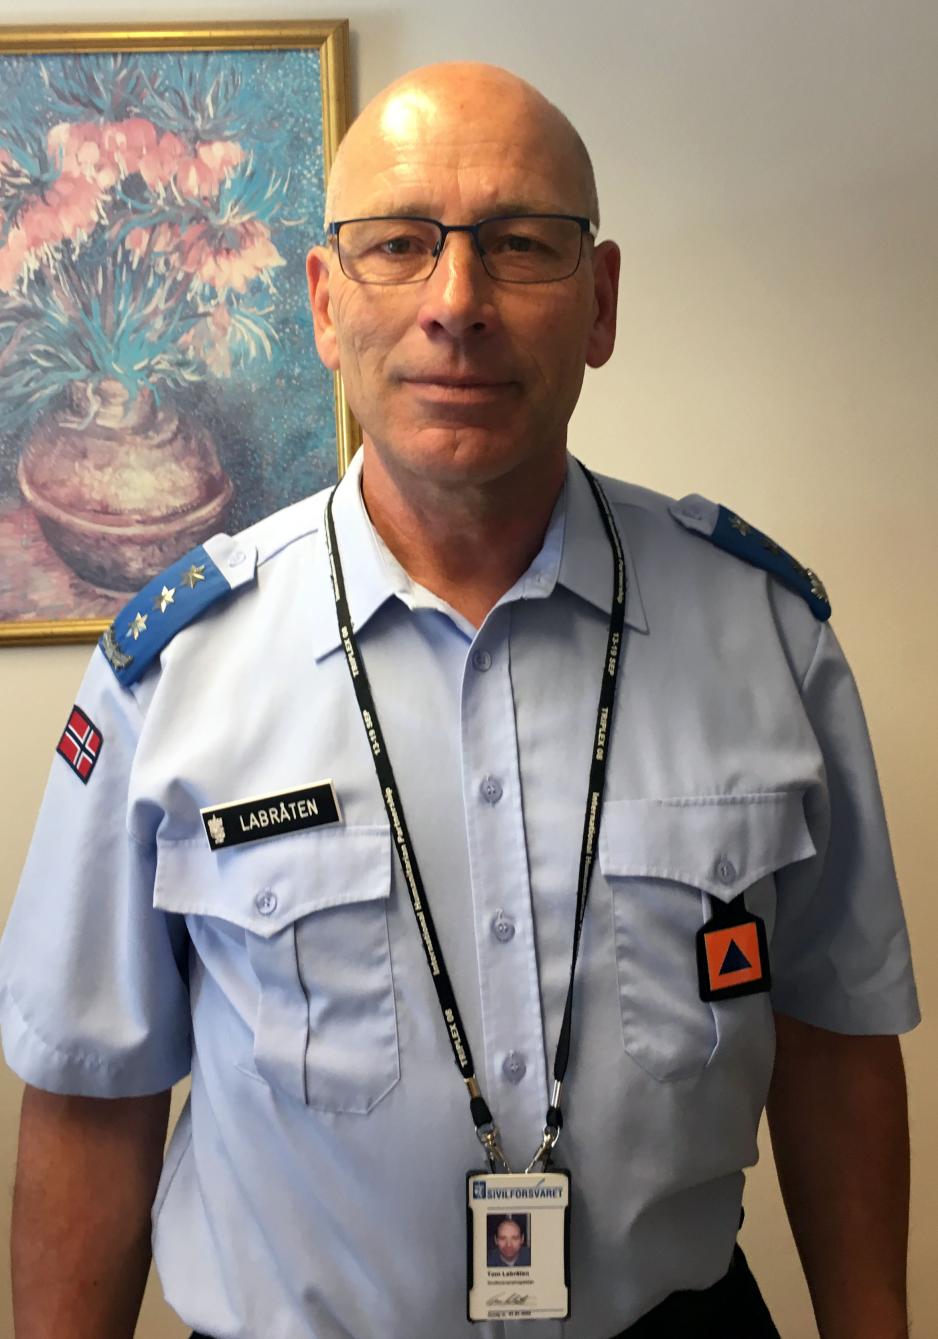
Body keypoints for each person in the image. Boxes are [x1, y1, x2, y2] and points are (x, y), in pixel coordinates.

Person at [0, 59, 919, 1339]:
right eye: (397, 245)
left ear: (599, 302)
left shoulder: (765, 636)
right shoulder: (172, 673)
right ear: (324, 304)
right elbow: (94, 1095)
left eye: (520, 244)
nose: (456, 303)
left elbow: (833, 1042)